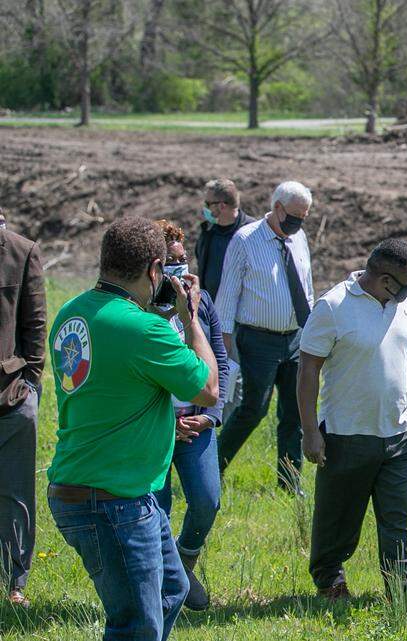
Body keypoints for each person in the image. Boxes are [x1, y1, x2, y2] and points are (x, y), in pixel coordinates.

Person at [47, 216, 219, 641]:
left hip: (84, 488)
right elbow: (208, 389)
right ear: (155, 270)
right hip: (115, 501)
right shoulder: (146, 330)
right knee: (136, 628)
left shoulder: (71, 313)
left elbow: (115, 382)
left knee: (172, 590)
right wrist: (190, 319)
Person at [298, 239, 407, 616]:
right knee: (338, 516)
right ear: (386, 280)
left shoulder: (406, 303)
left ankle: (403, 594)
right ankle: (329, 578)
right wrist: (310, 430)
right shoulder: (333, 306)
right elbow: (308, 368)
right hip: (347, 434)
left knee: (398, 518)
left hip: (399, 434)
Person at [215, 180, 314, 492]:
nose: (299, 223)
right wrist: (223, 342)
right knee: (253, 409)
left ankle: (289, 483)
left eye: (304, 217)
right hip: (257, 340)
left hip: (295, 339)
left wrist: (313, 330)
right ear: (278, 208)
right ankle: (212, 467)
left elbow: (307, 287)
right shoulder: (245, 240)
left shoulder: (299, 238)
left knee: (294, 412)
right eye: (295, 216)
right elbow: (227, 294)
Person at [152, 220, 229, 612]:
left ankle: (183, 561)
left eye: (183, 261)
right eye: (171, 262)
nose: (180, 270)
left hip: (197, 422)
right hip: (155, 426)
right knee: (157, 507)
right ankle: (165, 585)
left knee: (206, 500)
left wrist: (211, 415)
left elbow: (220, 361)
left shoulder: (203, 301)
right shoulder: (139, 309)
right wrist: (167, 422)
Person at [0, 221, 45, 607]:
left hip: (10, 395)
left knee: (14, 494)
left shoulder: (20, 251)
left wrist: (29, 385)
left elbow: (36, 324)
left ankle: (14, 583)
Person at [194, 178, 253, 422]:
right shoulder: (208, 231)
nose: (205, 208)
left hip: (240, 319)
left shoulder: (251, 233)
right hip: (209, 315)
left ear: (222, 205)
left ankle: (225, 427)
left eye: (208, 203)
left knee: (233, 376)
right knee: (211, 370)